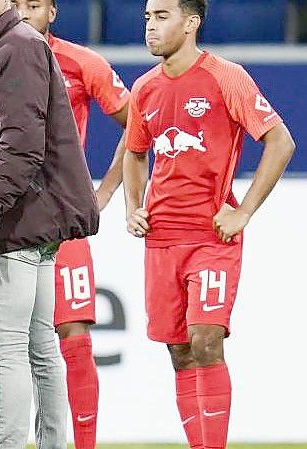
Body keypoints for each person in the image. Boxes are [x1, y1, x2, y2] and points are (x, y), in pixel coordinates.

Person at [0, 0, 129, 446]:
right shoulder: (1, 45)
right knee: (41, 348)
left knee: (7, 353)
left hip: (14, 221)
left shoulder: (15, 46)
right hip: (30, 218)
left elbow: (21, 146)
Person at [123, 0, 295, 448]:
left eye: (162, 17)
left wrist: (244, 211)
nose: (151, 27)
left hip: (211, 238)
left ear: (191, 22)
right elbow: (135, 152)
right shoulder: (143, 88)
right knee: (178, 349)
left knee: (205, 340)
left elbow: (281, 142)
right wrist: (132, 206)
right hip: (161, 239)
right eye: (147, 18)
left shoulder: (226, 76)